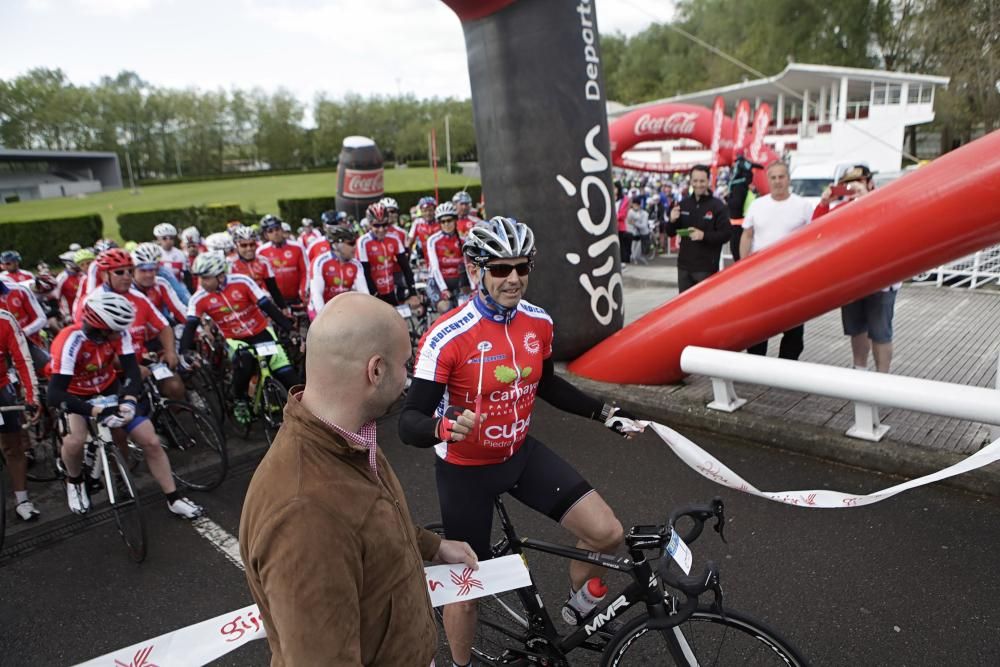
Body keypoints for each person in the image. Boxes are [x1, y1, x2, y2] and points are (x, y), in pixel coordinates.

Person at [398, 216, 643, 667]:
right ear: (477, 270)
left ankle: (580, 606)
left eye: (521, 268)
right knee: (467, 592)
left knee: (606, 533)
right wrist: (442, 426)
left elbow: (548, 385)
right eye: (499, 269)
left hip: (519, 455)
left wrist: (605, 413)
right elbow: (408, 420)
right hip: (465, 473)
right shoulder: (447, 335)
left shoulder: (538, 322)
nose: (513, 279)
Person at [240, 292, 477, 666]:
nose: (409, 375)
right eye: (405, 363)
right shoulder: (305, 515)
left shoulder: (347, 436)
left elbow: (368, 519)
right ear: (376, 370)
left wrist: (431, 546)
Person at [48, 291, 204, 518]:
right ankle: (75, 480)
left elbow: (131, 370)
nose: (121, 335)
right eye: (116, 331)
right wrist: (96, 411)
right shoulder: (70, 340)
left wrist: (129, 400)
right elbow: (54, 394)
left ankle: (174, 498)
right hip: (75, 394)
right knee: (75, 440)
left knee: (150, 439)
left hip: (109, 387)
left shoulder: (118, 333)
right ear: (101, 328)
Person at [179, 253, 298, 425]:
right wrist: (185, 350)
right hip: (235, 338)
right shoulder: (199, 297)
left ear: (220, 276)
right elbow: (190, 325)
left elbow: (267, 306)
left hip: (261, 331)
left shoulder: (242, 281)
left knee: (288, 376)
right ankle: (240, 399)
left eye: (205, 278)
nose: (201, 283)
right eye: (199, 278)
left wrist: (290, 329)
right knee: (245, 360)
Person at [813, 165, 900, 372]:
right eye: (848, 184)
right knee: (857, 330)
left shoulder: (885, 202)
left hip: (882, 282)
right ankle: (859, 370)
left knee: (881, 333)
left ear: (870, 183)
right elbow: (817, 230)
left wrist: (866, 199)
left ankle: (882, 379)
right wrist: (824, 203)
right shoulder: (843, 208)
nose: (853, 186)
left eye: (859, 181)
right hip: (852, 280)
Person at [740, 161, 815, 359]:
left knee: (794, 325)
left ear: (788, 179)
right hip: (760, 277)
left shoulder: (803, 206)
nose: (777, 181)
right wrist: (742, 267)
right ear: (768, 180)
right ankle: (756, 364)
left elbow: (814, 237)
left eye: (781, 177)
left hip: (793, 277)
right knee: (758, 324)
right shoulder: (758, 205)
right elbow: (747, 235)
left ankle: (787, 365)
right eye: (773, 177)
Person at [0, 309, 42, 521]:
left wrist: (32, 398)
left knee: (13, 446)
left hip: (0, 388)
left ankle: (22, 500)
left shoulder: (4, 320)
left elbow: (23, 361)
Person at [666, 164, 732, 292]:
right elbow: (670, 232)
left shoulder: (718, 206)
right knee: (685, 309)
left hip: (706, 269)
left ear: (708, 181)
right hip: (684, 268)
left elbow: (726, 234)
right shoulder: (683, 204)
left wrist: (703, 236)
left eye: (702, 181)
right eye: (695, 181)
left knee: (706, 309)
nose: (698, 184)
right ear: (690, 181)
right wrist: (672, 220)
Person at [356, 203, 415, 306]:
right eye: (376, 225)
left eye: (384, 225)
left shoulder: (394, 239)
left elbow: (405, 267)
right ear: (369, 224)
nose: (381, 229)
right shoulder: (363, 242)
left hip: (390, 290)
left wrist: (413, 292)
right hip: (373, 292)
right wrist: (375, 294)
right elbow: (365, 272)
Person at [308, 226, 369, 320]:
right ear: (336, 245)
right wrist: (324, 318)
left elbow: (364, 293)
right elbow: (317, 294)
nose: (355, 247)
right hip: (320, 309)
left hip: (342, 310)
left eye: (355, 243)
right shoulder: (320, 262)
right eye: (351, 243)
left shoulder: (356, 265)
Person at [425, 202, 471, 314]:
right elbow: (435, 268)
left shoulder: (463, 240)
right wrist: (443, 289)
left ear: (455, 220)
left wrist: (474, 287)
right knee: (446, 309)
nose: (446, 224)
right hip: (437, 282)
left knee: (468, 308)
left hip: (457, 281)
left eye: (449, 220)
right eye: (442, 221)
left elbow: (468, 265)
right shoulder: (433, 240)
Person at [257, 215, 308, 307]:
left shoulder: (297, 247)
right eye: (270, 231)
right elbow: (260, 277)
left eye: (277, 229)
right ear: (265, 235)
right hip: (274, 300)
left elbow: (306, 272)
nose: (275, 233)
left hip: (297, 298)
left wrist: (303, 291)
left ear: (282, 229)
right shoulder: (261, 251)